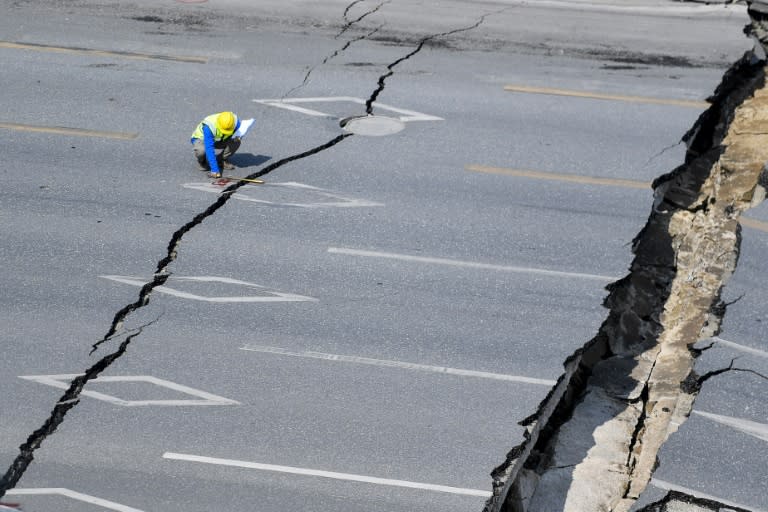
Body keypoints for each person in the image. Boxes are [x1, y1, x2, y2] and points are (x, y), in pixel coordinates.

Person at [190, 111, 241, 178]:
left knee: (236, 142)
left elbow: (239, 133)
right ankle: (203, 162)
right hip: (201, 140)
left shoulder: (235, 122)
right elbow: (209, 149)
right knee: (201, 151)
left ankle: (220, 160)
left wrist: (237, 137)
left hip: (219, 139)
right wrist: (215, 170)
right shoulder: (209, 127)